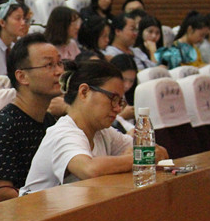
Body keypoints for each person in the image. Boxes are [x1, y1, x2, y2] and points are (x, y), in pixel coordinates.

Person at [21, 59, 168, 193]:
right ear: (84, 92)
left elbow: (158, 152)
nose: (118, 108)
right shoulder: (63, 133)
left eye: (120, 102)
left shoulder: (104, 132)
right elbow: (89, 169)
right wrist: (138, 157)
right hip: (37, 212)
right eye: (113, 98)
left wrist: (138, 155)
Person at [0, 34, 63, 202]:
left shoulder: (49, 121)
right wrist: (51, 200)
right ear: (22, 77)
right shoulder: (4, 126)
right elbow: (0, 192)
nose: (59, 71)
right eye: (49, 65)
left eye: (59, 63)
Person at [109, 53, 137, 131]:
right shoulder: (103, 96)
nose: (127, 85)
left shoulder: (128, 95)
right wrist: (123, 116)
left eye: (131, 81)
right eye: (124, 79)